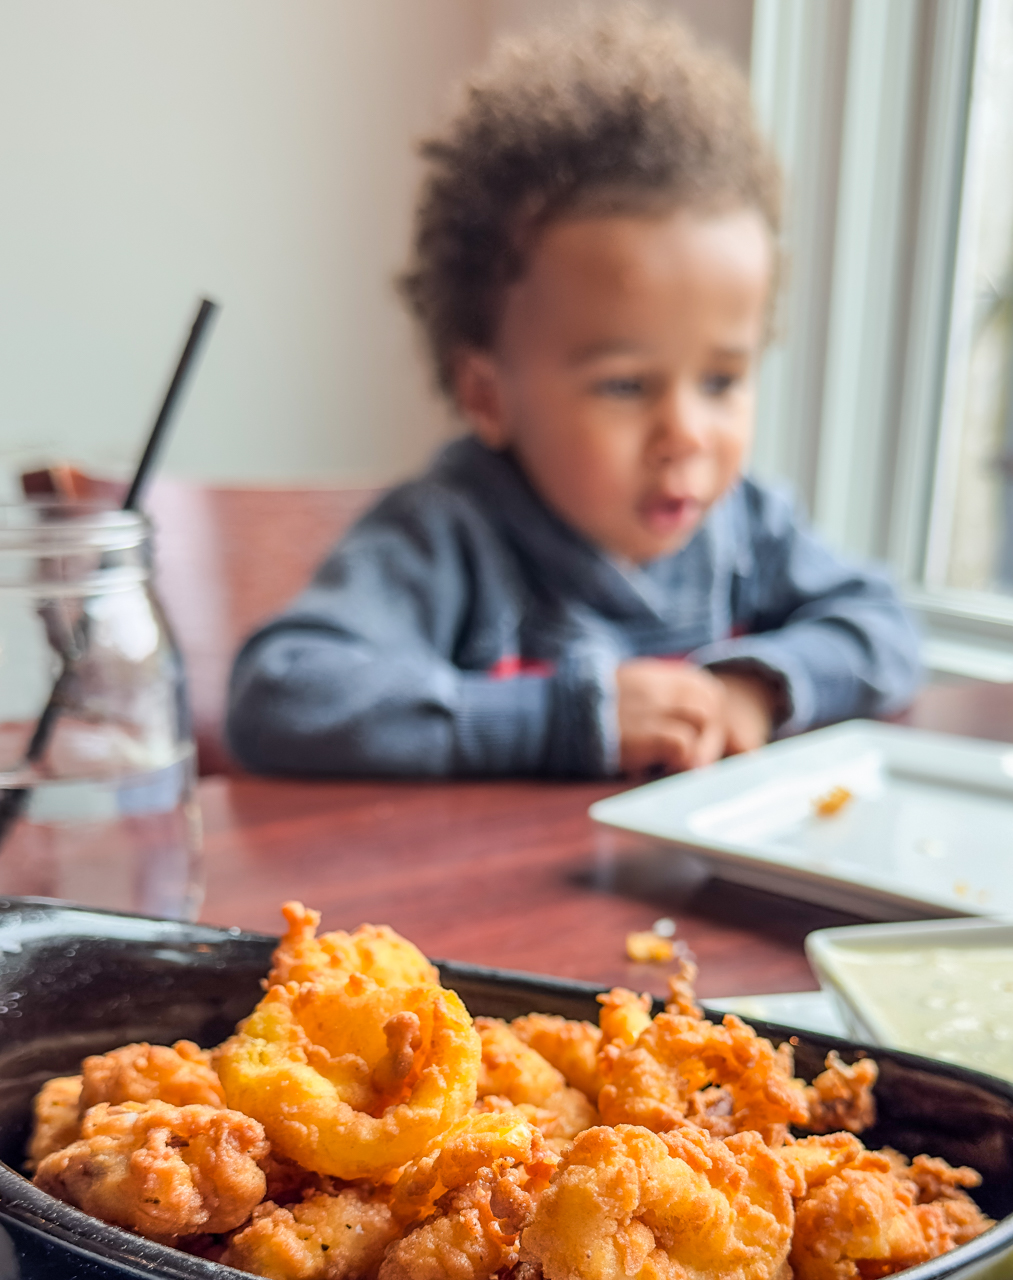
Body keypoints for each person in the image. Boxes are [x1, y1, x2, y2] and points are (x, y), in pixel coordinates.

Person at [227, 7, 920, 782]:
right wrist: (564, 720)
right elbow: (283, 694)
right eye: (626, 385)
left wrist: (756, 687)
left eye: (721, 380)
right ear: (487, 395)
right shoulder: (446, 537)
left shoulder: (746, 529)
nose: (685, 433)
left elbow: (885, 627)